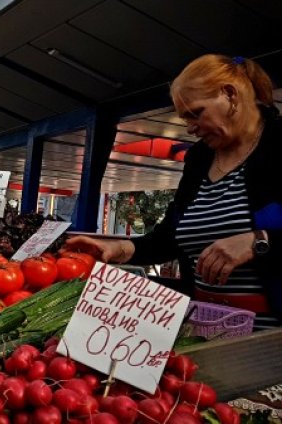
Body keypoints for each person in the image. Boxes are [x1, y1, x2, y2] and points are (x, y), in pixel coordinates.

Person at [64, 54, 281, 329]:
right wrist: (118, 248)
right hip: (207, 332)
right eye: (184, 118)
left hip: (272, 338)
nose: (190, 127)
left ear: (229, 94)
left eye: (196, 113)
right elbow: (170, 238)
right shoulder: (199, 159)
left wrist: (259, 241)